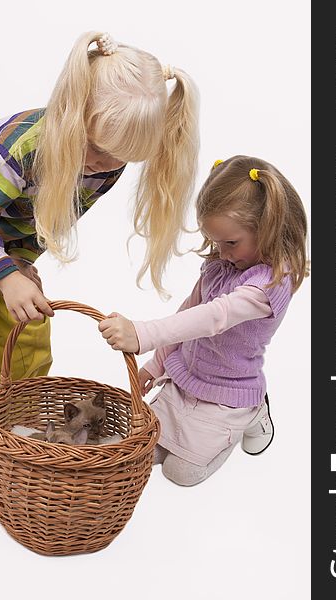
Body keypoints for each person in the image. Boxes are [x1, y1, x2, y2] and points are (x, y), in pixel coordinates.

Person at [0, 31, 199, 480]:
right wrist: (4, 277)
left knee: (29, 325)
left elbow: (43, 220)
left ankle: (22, 415)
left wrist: (21, 266)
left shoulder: (107, 164)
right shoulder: (19, 149)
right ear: (74, 112)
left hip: (4, 232)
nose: (104, 165)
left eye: (120, 158)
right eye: (99, 149)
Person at [99, 155, 309, 486]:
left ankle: (252, 412)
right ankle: (189, 435)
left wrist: (142, 334)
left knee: (180, 473)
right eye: (215, 242)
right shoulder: (220, 266)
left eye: (231, 243)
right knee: (139, 450)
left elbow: (215, 317)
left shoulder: (269, 285)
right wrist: (155, 366)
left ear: (267, 228)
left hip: (227, 395)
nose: (222, 253)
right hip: (186, 380)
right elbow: (188, 314)